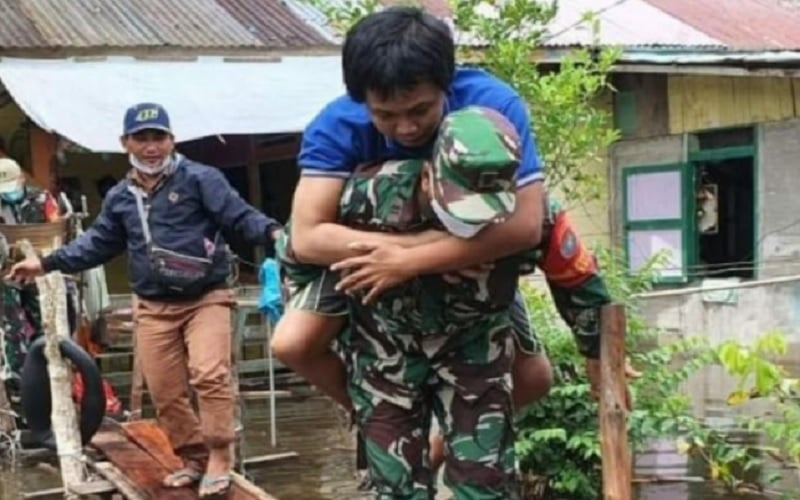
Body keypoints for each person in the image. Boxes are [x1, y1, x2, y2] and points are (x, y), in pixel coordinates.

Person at [272, 5, 548, 424]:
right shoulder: (336, 125)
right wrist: (399, 256)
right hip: (363, 253)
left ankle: (437, 447)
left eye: (419, 110)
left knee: (534, 378)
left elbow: (526, 224)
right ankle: (376, 422)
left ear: (447, 85)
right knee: (293, 343)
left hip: (469, 249)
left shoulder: (491, 108)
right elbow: (308, 236)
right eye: (385, 115)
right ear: (360, 99)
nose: (405, 129)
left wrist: (411, 260)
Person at [8, 102, 282, 498]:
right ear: (126, 143)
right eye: (142, 138)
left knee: (209, 374)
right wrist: (46, 263)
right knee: (165, 391)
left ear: (172, 140)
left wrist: (275, 234)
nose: (151, 147)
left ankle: (221, 455)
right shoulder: (121, 197)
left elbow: (239, 216)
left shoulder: (201, 179)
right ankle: (194, 459)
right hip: (154, 307)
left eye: (159, 137)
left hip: (206, 297)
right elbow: (96, 245)